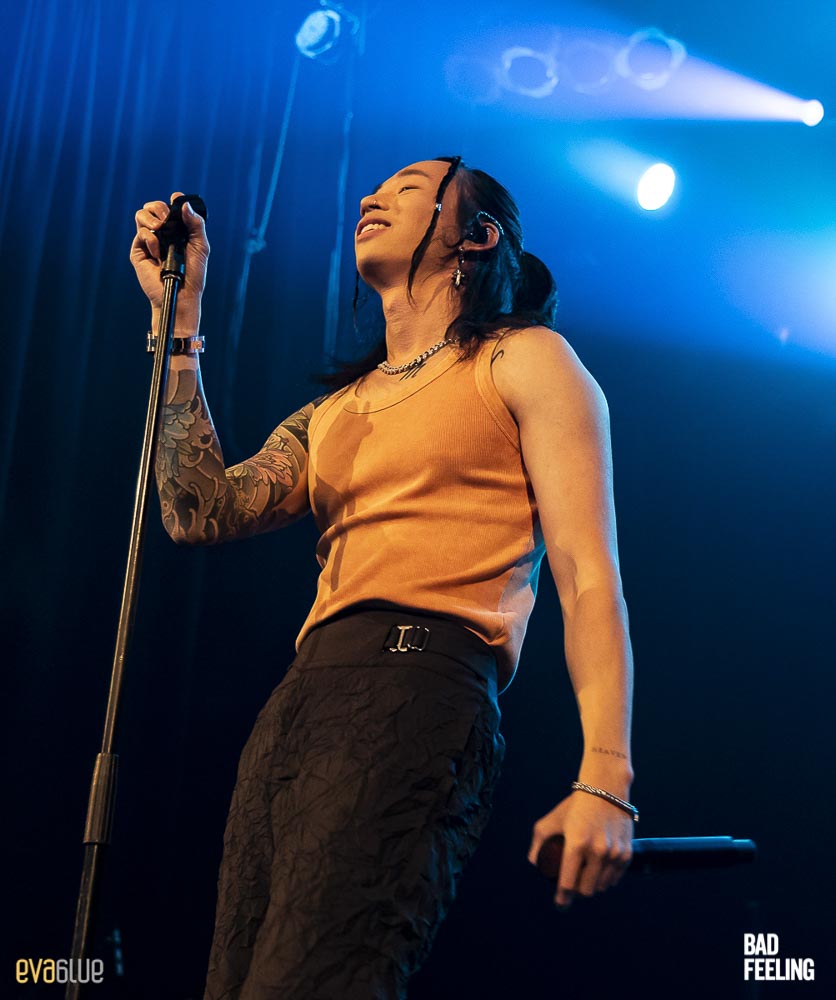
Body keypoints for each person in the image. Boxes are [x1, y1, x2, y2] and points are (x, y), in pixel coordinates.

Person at [132, 155, 635, 999]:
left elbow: (588, 576)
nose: (372, 197)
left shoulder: (524, 359)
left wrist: (605, 777)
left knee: (314, 979)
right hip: (300, 703)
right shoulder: (333, 410)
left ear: (477, 237)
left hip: (419, 690)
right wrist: (178, 318)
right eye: (374, 189)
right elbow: (198, 511)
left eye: (407, 190)